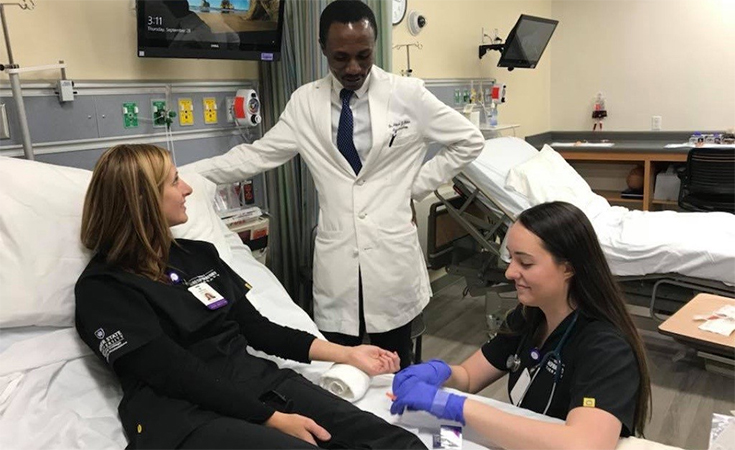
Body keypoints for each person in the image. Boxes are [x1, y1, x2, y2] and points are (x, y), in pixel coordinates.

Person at [185, 0, 484, 368]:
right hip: (338, 261)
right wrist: (181, 173)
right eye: (341, 58)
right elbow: (256, 156)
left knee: (397, 366)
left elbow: (470, 140)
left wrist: (413, 187)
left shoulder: (407, 95)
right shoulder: (305, 103)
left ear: (375, 45)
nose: (354, 68)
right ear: (322, 48)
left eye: (364, 55)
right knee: (339, 366)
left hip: (392, 260)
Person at [74, 144, 426, 449]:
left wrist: (348, 354)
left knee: (395, 441)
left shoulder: (199, 255)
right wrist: (270, 418)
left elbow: (259, 330)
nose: (187, 189)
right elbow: (174, 373)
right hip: (184, 415)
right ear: (143, 199)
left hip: (259, 385)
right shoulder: (105, 289)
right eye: (174, 180)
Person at [389, 201, 652, 449]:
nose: (510, 272)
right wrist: (439, 372)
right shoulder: (529, 316)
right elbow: (469, 377)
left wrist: (458, 407)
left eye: (525, 262)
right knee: (414, 439)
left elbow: (584, 443)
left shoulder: (606, 347)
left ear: (569, 268)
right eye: (511, 258)